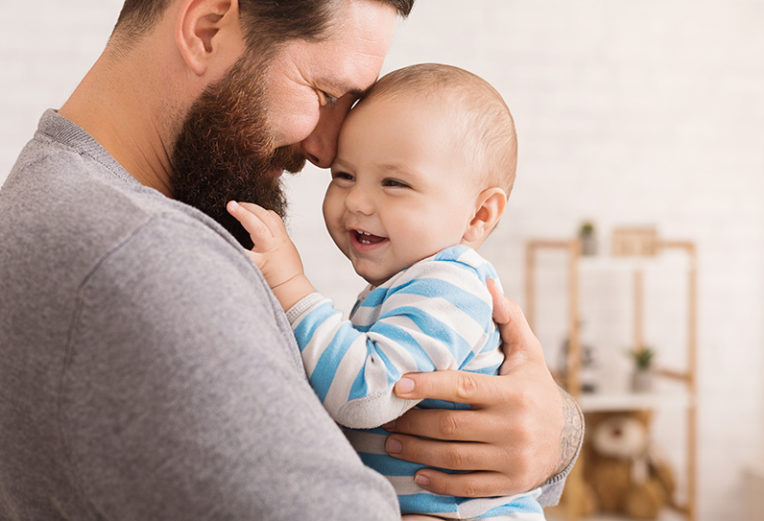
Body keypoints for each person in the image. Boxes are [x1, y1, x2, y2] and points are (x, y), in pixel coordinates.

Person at [0, 1, 582, 520]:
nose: (327, 149)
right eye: (325, 95)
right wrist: (557, 437)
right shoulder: (144, 256)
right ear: (207, 29)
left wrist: (549, 433)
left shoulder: (47, 199)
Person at [227, 62, 547, 520]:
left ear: (479, 215)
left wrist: (291, 287)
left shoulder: (448, 285)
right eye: (343, 176)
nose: (357, 200)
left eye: (394, 183)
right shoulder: (406, 286)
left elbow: (366, 392)